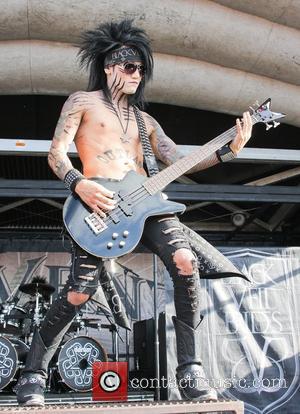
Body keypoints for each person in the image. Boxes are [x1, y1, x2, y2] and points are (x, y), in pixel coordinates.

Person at [15, 19, 252, 406]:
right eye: (130, 66)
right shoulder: (81, 101)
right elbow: (55, 153)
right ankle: (34, 372)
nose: (137, 74)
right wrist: (79, 183)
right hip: (100, 203)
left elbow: (178, 159)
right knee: (79, 293)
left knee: (185, 260)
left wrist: (229, 149)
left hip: (148, 204)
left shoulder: (146, 122)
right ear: (110, 66)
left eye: (142, 68)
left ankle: (190, 368)